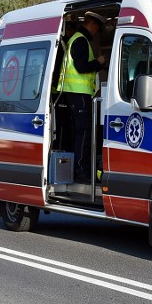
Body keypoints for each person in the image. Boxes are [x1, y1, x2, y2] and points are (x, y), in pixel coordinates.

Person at [54, 10, 108, 182]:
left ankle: (80, 168)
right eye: (97, 29)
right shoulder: (80, 40)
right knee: (83, 132)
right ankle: (81, 169)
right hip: (78, 94)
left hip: (75, 94)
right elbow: (82, 67)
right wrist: (98, 63)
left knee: (79, 132)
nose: (96, 33)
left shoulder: (77, 39)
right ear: (92, 25)